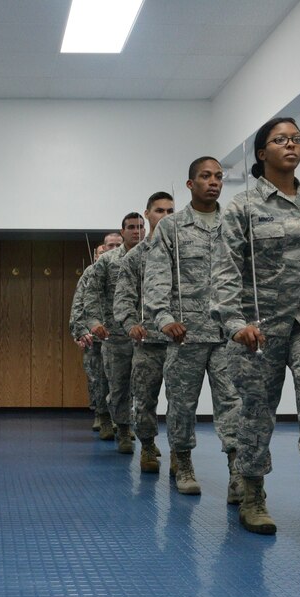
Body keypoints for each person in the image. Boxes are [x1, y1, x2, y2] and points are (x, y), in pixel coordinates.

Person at [211, 117, 300, 549]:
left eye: (296, 139)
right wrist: (235, 323)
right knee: (257, 413)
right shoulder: (242, 207)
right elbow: (225, 271)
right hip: (260, 328)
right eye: (280, 140)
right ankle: (253, 495)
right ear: (262, 153)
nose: (291, 145)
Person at [145, 158, 244, 500]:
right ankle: (183, 462)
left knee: (233, 403)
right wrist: (164, 319)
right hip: (185, 334)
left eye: (218, 177)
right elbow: (156, 278)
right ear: (190, 184)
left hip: (228, 334)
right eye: (205, 176)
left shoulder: (234, 225)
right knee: (182, 404)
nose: (213, 182)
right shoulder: (171, 227)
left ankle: (237, 472)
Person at [114, 192, 175, 473]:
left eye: (170, 211)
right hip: (148, 341)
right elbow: (123, 298)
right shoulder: (136, 257)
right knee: (145, 399)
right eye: (159, 211)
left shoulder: (185, 253)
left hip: (180, 341)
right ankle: (148, 446)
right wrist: (130, 325)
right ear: (147, 214)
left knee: (181, 402)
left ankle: (180, 454)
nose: (165, 216)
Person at [83, 215, 145, 453]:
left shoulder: (153, 256)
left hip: (147, 335)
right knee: (118, 387)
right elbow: (92, 293)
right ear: (123, 231)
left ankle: (145, 437)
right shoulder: (108, 261)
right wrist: (94, 322)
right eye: (131, 227)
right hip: (116, 334)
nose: (136, 231)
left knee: (144, 388)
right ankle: (124, 431)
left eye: (140, 227)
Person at [70, 238, 115, 435]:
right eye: (108, 247)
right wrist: (80, 331)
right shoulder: (90, 273)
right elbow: (79, 303)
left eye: (117, 246)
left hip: (119, 335)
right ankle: (100, 413)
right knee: (97, 378)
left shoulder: (126, 267)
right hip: (95, 337)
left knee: (121, 380)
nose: (112, 250)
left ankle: (119, 418)